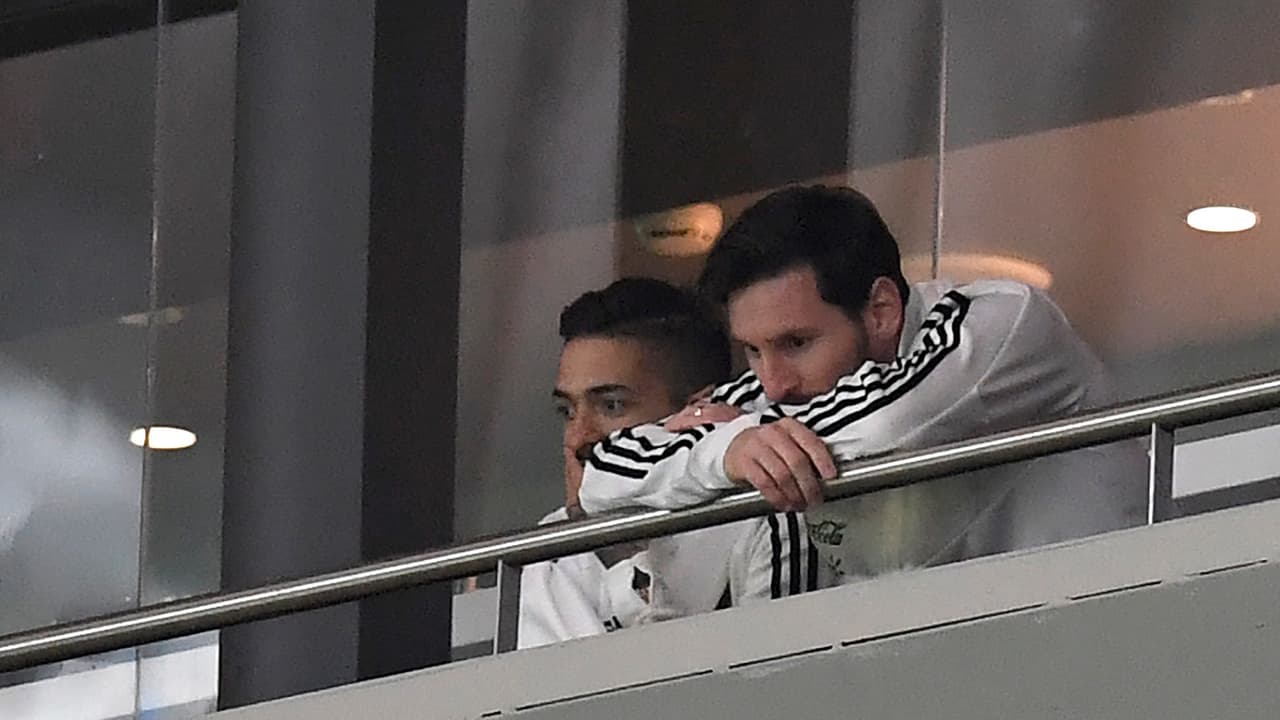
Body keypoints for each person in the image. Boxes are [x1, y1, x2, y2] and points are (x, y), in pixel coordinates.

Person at [579, 185, 1146, 583]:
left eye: (797, 343)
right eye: (752, 350)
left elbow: (885, 424)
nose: (771, 382)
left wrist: (740, 439)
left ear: (880, 310)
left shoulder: (1003, 323)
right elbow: (601, 480)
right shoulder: (779, 394)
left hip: (1101, 641)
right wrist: (729, 449)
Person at [518, 278, 823, 649]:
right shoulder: (550, 545)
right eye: (567, 411)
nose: (578, 438)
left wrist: (627, 565)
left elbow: (769, 686)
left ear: (697, 413)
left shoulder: (762, 510)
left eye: (611, 406)